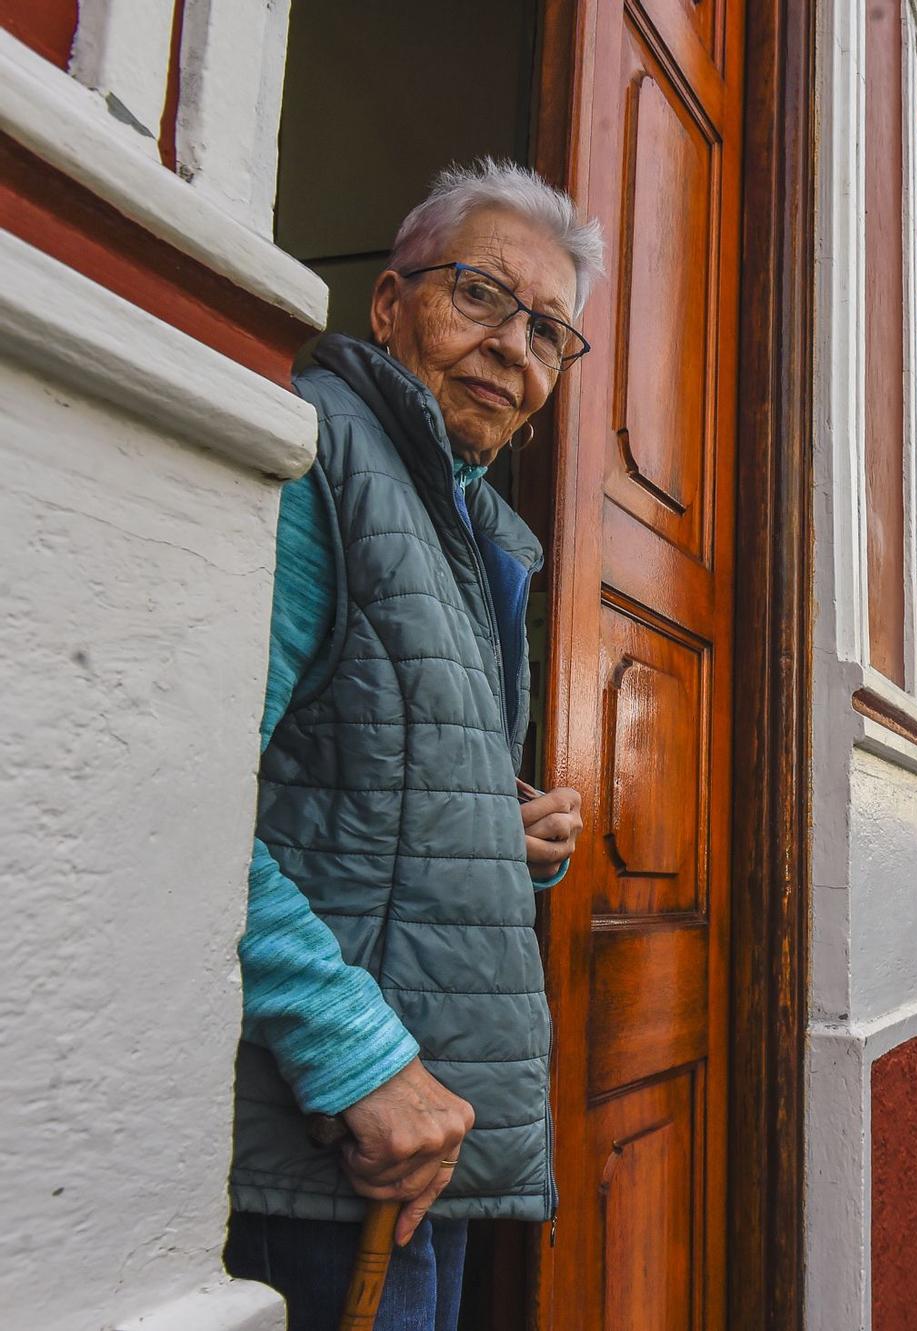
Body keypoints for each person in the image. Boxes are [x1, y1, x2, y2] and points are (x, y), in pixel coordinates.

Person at [223, 160, 595, 1327]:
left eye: (546, 329)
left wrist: (499, 833)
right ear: (388, 305)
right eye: (478, 295)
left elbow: (348, 787)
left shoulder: (482, 528)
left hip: (422, 1139)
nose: (513, 347)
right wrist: (356, 1058)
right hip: (332, 1133)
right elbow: (190, 791)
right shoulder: (320, 458)